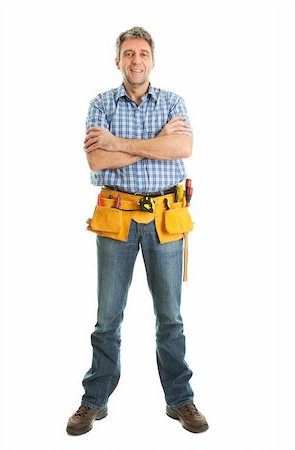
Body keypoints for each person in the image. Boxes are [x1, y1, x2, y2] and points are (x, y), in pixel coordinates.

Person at [66, 26, 208, 436]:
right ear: (118, 61)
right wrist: (150, 142)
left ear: (152, 59)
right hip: (116, 217)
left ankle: (179, 399)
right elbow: (96, 160)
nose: (135, 60)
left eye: (142, 53)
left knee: (171, 319)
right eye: (128, 53)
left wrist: (119, 143)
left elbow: (182, 149)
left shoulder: (173, 102)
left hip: (165, 218)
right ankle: (95, 400)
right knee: (107, 319)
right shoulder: (100, 103)